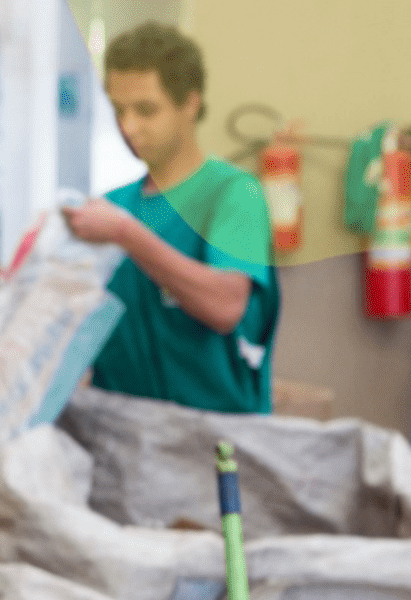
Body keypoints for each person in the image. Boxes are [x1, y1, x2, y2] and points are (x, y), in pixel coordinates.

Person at [64, 22, 280, 414]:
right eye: (119, 111)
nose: (128, 128)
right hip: (121, 442)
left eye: (146, 110)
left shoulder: (232, 195)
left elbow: (226, 307)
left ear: (190, 104)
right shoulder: (113, 205)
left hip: (214, 444)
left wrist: (128, 235)